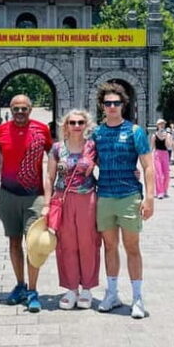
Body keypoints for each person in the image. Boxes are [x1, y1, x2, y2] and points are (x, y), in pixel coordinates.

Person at [92, 82, 154, 319]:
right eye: (108, 103)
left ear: (123, 105)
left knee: (132, 247)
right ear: (102, 106)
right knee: (109, 247)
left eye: (116, 103)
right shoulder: (97, 133)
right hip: (105, 195)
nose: (112, 107)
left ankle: (137, 297)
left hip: (129, 196)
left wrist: (149, 198)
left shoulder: (135, 131)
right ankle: (112, 293)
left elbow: (148, 166)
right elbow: (93, 159)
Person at [0, 94, 53, 313]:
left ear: (30, 109)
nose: (20, 112)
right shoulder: (1, 131)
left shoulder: (41, 130)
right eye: (16, 108)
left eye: (24, 109)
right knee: (13, 241)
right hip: (8, 194)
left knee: (34, 243)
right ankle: (20, 284)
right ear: (10, 109)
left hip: (34, 195)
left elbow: (54, 156)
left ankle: (33, 289)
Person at [44, 109, 100, 310]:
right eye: (72, 122)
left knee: (88, 243)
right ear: (65, 126)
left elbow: (107, 167)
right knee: (66, 245)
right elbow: (50, 177)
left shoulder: (92, 147)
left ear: (86, 125)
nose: (76, 126)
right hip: (63, 198)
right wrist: (46, 204)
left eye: (80, 122)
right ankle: (70, 288)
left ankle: (86, 288)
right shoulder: (58, 148)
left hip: (87, 198)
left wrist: (132, 172)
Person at [150, 119, 174, 199]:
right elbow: (152, 147)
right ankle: (159, 192)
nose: (162, 125)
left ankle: (165, 190)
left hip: (165, 154)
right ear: (157, 125)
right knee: (158, 174)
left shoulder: (168, 135)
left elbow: (169, 146)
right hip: (157, 154)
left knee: (166, 174)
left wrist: (167, 136)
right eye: (160, 124)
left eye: (163, 124)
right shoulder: (154, 135)